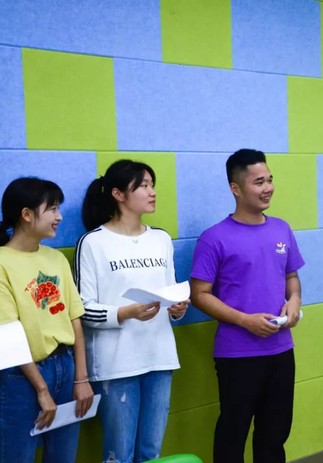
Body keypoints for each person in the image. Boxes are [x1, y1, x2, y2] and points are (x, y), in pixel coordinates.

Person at [190, 148, 304, 463]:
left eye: (269, 180)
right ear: (236, 188)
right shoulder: (214, 238)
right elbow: (199, 294)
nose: (268, 188)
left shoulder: (281, 229)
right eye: (258, 182)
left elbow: (291, 276)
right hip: (237, 354)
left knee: (274, 434)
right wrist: (244, 320)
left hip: (281, 350)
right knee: (233, 434)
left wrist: (294, 300)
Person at [74, 160, 188, 463]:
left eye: (153, 185)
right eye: (143, 186)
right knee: (119, 454)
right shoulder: (93, 243)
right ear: (118, 194)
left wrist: (177, 308)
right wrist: (127, 312)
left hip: (160, 358)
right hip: (117, 364)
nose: (152, 192)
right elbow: (83, 310)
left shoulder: (160, 239)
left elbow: (170, 294)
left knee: (151, 453)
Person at [0, 177, 94, 463]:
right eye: (52, 209)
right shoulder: (2, 262)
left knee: (63, 456)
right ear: (27, 215)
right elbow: (9, 334)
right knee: (18, 456)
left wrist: (81, 378)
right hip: (21, 376)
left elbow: (74, 318)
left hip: (65, 366)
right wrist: (41, 389)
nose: (59, 216)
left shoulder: (56, 259)